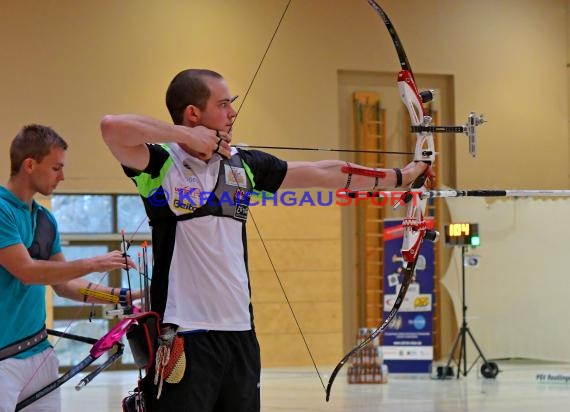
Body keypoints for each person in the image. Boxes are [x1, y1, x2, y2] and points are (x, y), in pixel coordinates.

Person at [100, 68, 429, 412]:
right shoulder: (161, 164)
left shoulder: (244, 164)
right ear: (193, 113)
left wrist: (401, 176)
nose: (232, 112)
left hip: (241, 333)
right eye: (223, 104)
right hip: (185, 334)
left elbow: (322, 172)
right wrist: (187, 136)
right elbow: (112, 127)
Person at [0, 124, 137, 412]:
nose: (62, 176)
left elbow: (64, 285)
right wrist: (93, 262)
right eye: (56, 168)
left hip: (39, 354)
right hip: (4, 361)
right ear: (29, 164)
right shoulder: (2, 210)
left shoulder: (45, 219)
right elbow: (27, 272)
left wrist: (124, 297)